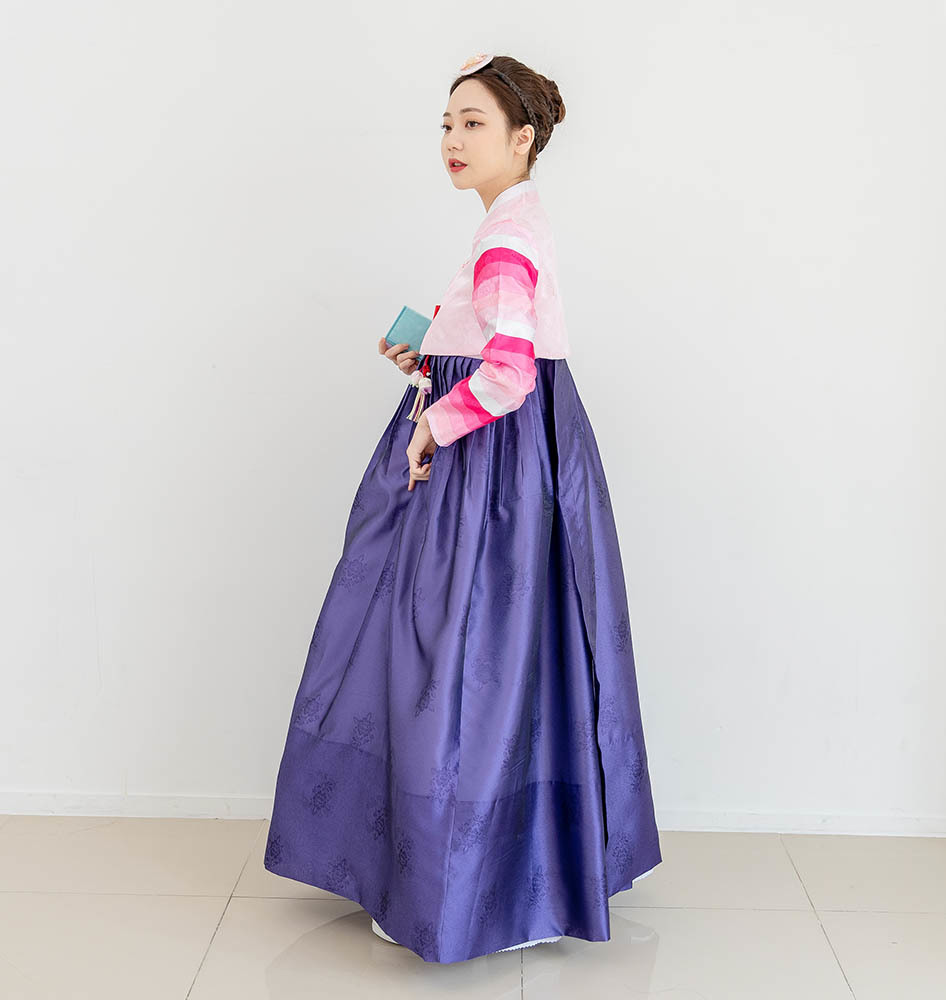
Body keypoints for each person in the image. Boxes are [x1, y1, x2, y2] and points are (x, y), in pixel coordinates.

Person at [264, 52, 662, 964]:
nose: (453, 139)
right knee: (507, 660)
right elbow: (500, 351)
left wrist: (433, 424)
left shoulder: (505, 238)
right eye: (447, 123)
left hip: (488, 477)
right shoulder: (509, 226)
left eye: (474, 123)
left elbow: (511, 374)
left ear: (523, 138)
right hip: (512, 469)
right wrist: (429, 358)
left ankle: (459, 882)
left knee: (451, 660)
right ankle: (509, 875)